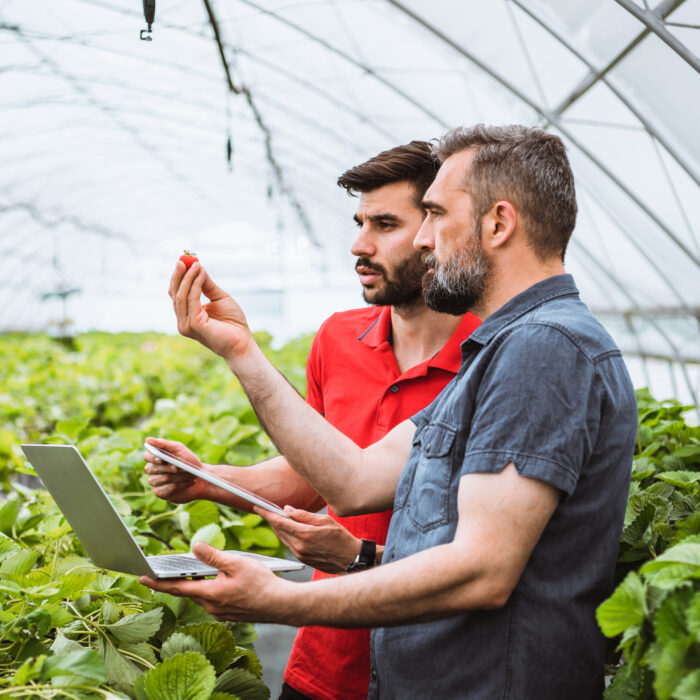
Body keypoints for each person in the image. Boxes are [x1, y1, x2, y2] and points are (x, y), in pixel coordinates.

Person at [142, 125, 638, 699]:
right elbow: (353, 480)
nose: (425, 240)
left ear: (498, 224)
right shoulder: (502, 349)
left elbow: (483, 569)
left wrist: (282, 600)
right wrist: (240, 351)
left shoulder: (544, 347)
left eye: (435, 214)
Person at [143, 140, 481, 700]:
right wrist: (211, 481)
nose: (359, 245)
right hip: (325, 658)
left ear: (437, 229)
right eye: (358, 223)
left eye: (384, 224)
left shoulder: (492, 355)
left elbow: (482, 547)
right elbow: (316, 475)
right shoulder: (337, 338)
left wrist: (357, 557)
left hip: (433, 665)